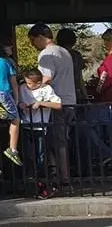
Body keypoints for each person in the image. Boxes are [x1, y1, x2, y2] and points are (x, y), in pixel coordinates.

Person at [29, 23, 75, 191]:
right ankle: (60, 177)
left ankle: (62, 180)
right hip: (70, 101)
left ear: (40, 37)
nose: (33, 45)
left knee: (56, 142)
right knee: (62, 141)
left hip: (55, 103)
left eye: (33, 41)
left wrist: (29, 87)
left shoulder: (47, 54)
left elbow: (46, 78)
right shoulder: (64, 52)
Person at [18, 68, 62, 199]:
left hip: (40, 127)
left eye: (30, 83)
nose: (27, 86)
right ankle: (31, 185)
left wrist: (41, 103)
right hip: (26, 125)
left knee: (41, 157)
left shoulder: (46, 89)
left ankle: (44, 185)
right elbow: (19, 100)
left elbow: (58, 105)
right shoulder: (22, 88)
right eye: (26, 82)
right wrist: (21, 104)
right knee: (28, 156)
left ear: (38, 83)